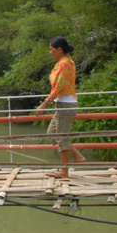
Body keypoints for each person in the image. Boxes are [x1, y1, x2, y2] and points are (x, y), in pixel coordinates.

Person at [34, 36, 86, 179]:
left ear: (59, 49)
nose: (50, 52)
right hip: (63, 104)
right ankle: (78, 156)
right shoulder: (66, 62)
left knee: (62, 138)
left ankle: (64, 171)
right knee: (52, 134)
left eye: (51, 49)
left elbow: (59, 86)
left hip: (65, 104)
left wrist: (45, 103)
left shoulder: (64, 64)